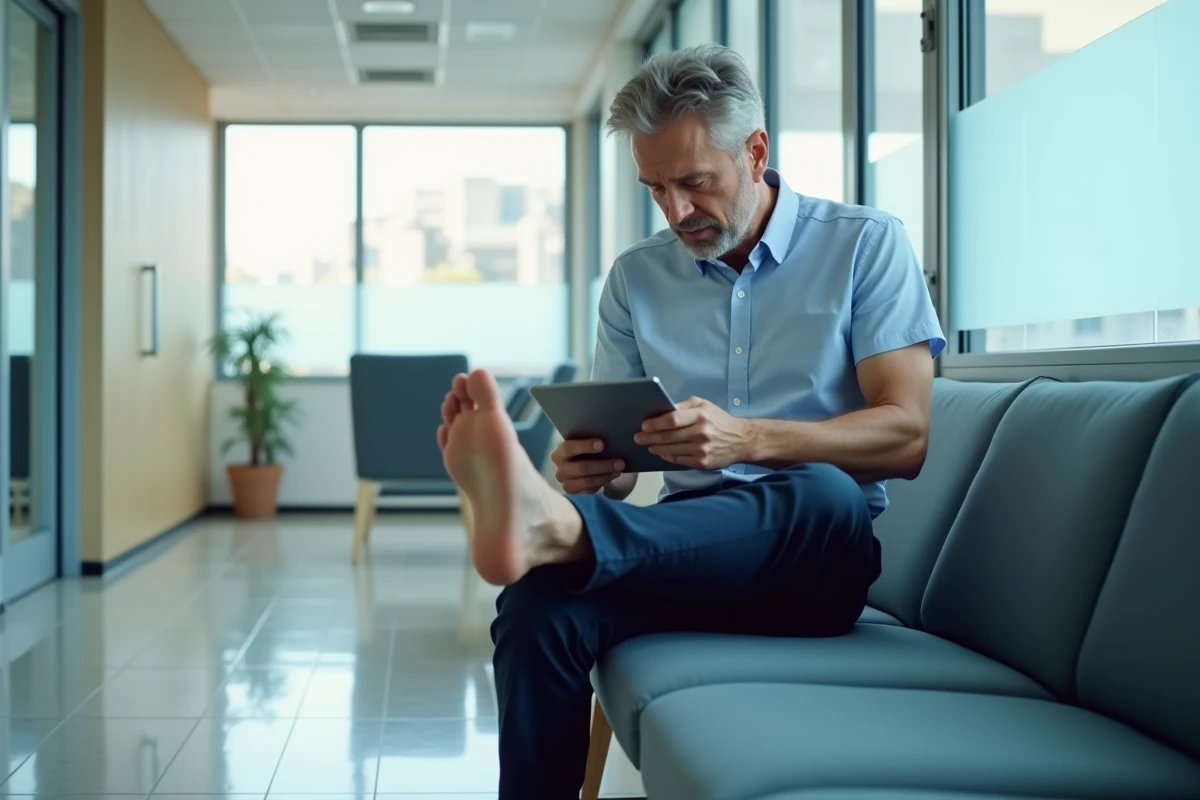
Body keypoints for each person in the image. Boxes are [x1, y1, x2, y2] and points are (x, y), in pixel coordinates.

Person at [437, 43, 946, 799]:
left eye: (694, 183)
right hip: (682, 555)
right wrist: (593, 474)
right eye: (655, 189)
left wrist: (748, 438)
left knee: (824, 493)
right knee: (535, 606)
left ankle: (560, 529)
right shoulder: (635, 278)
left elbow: (907, 436)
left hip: (812, 565)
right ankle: (564, 525)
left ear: (756, 152)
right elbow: (613, 466)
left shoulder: (864, 245)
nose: (675, 211)